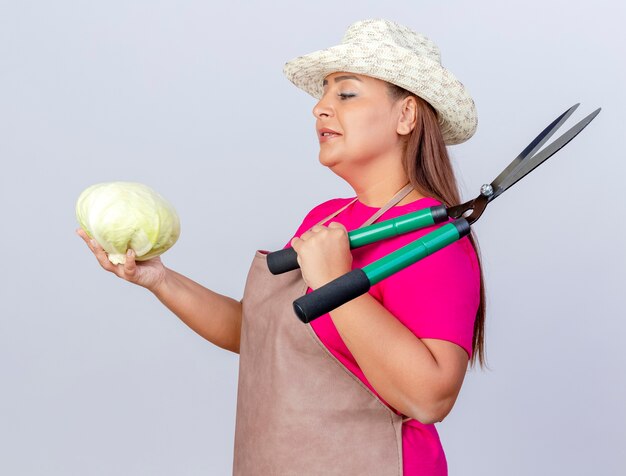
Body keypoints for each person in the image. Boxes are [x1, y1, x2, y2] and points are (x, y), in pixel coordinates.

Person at [77, 18, 485, 476]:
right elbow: (257, 333)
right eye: (323, 94)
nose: (321, 108)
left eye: (345, 94)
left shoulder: (434, 243)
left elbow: (430, 397)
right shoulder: (327, 219)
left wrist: (334, 281)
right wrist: (159, 278)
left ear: (406, 115)